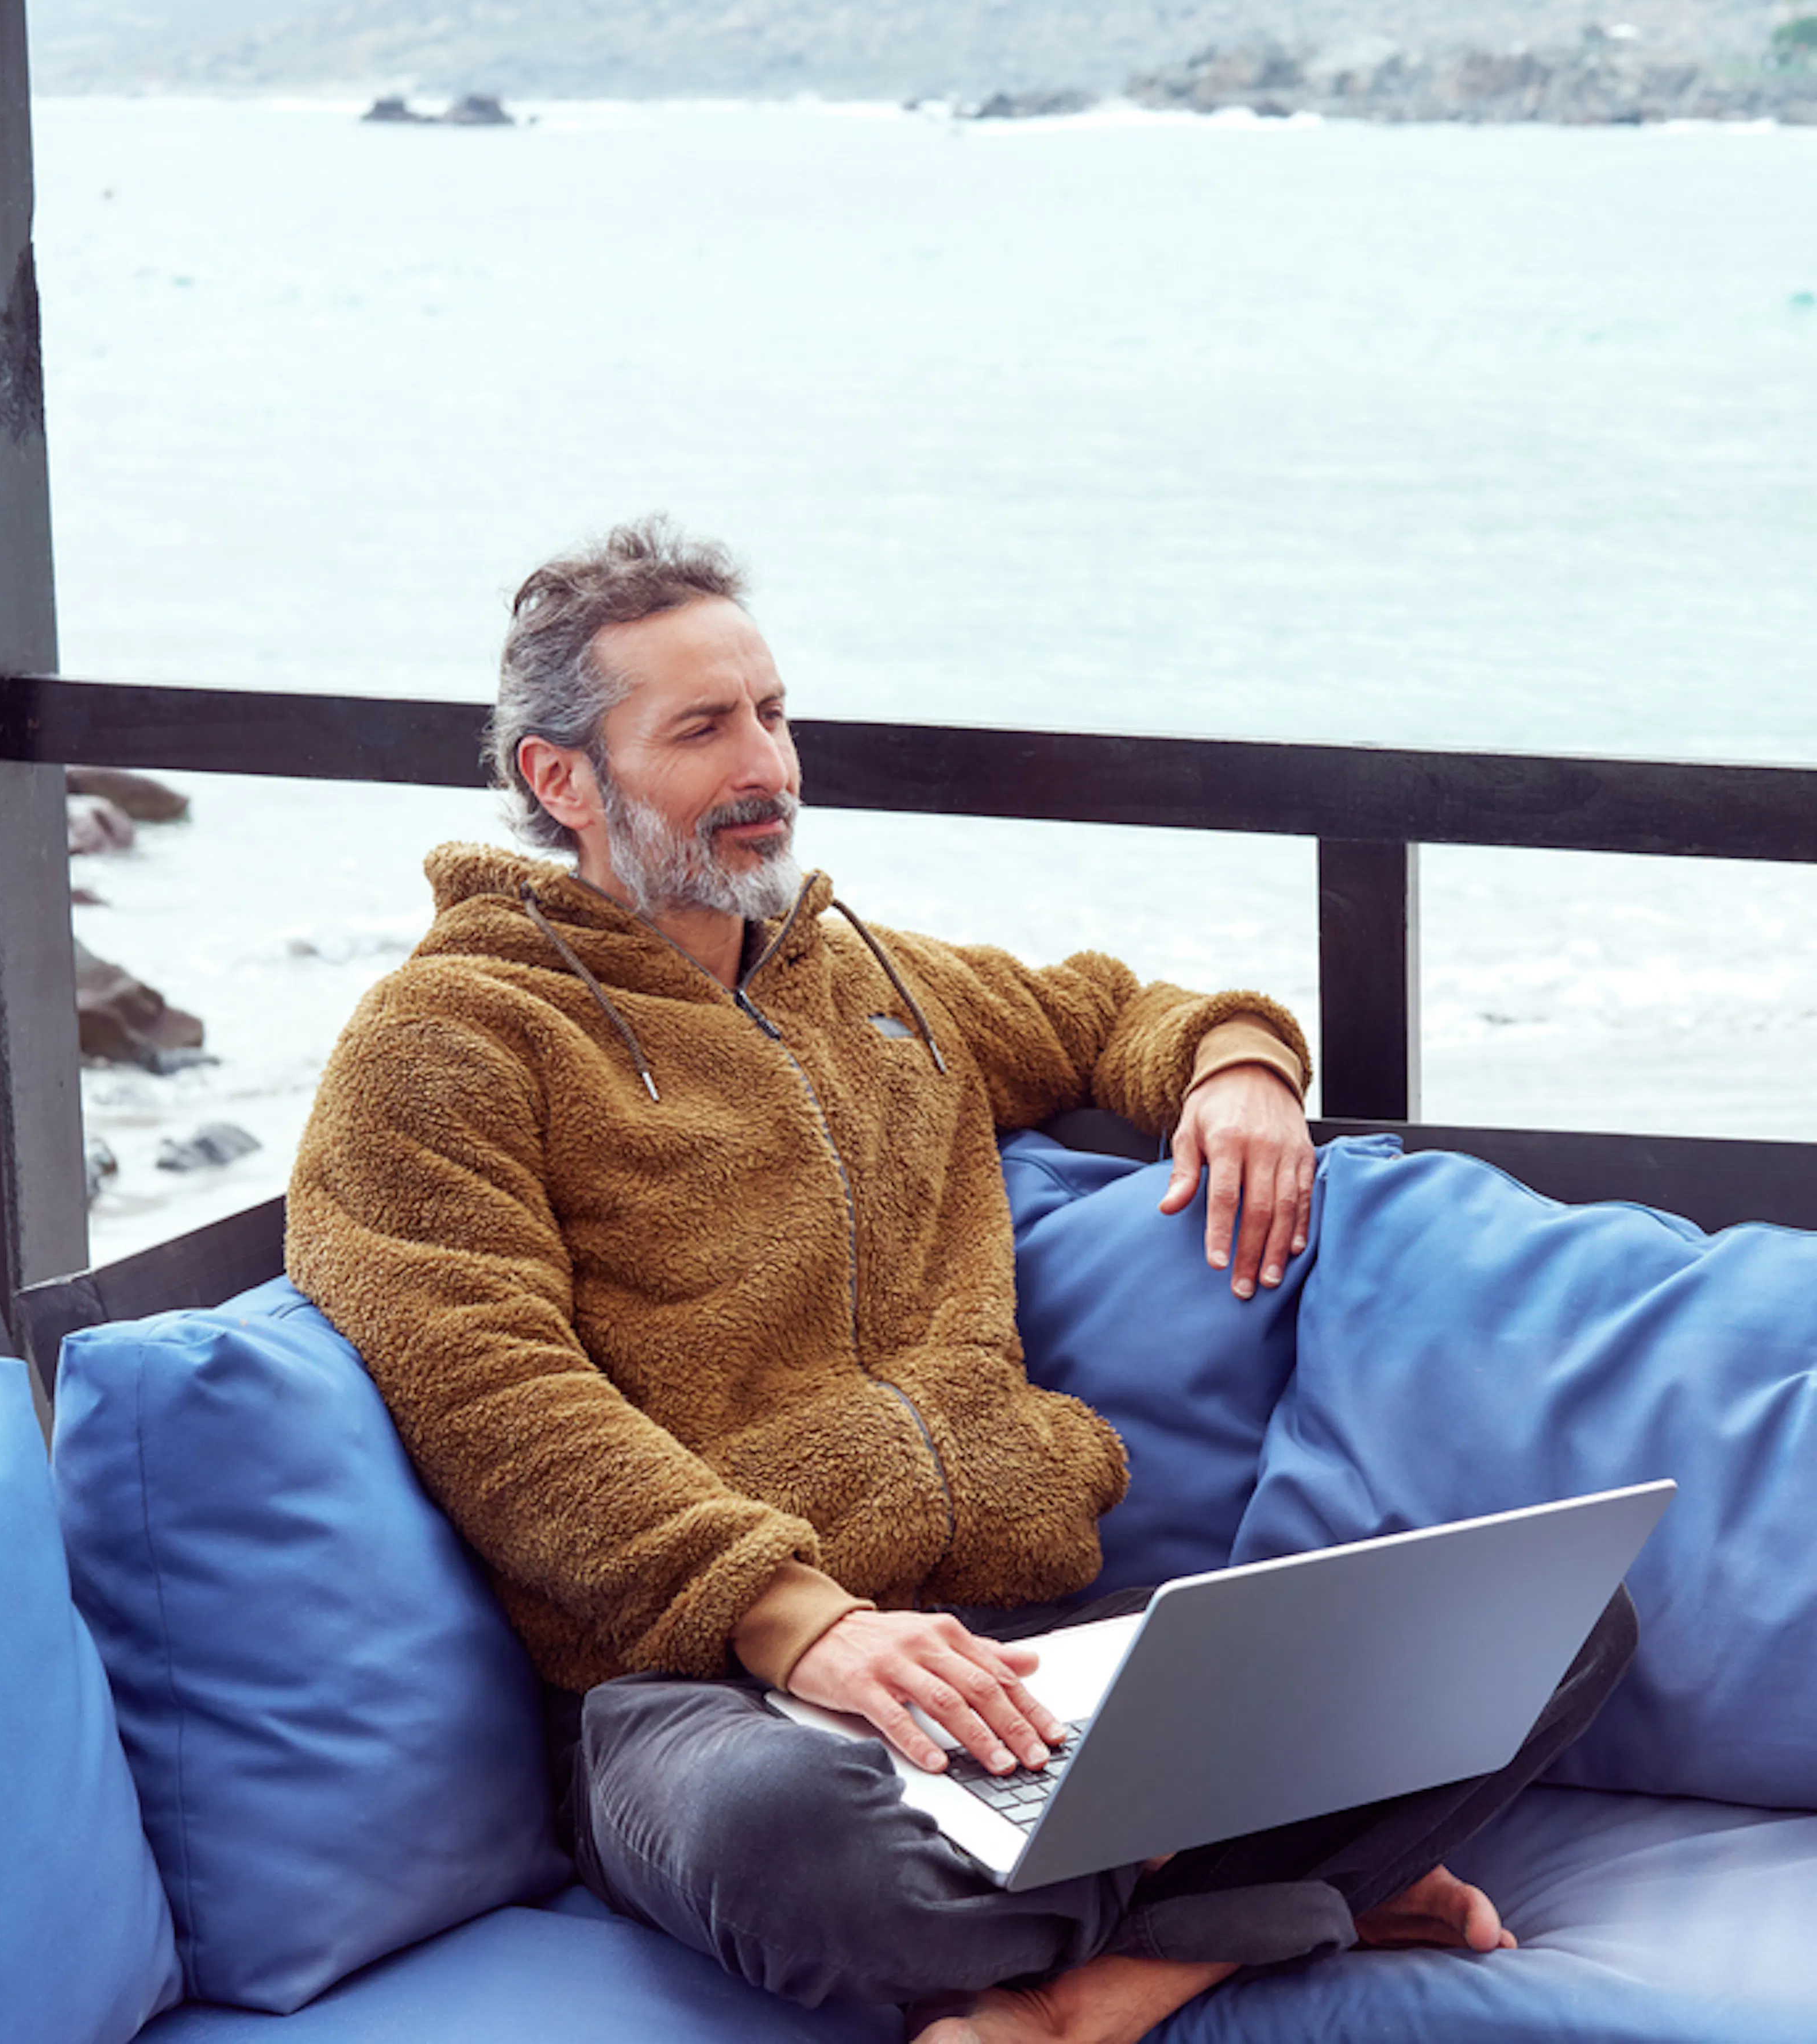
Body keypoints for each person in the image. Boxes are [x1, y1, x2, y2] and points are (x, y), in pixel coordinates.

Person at [285, 517, 1633, 2044]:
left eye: (775, 713)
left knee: (1548, 1617)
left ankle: (1120, 1981)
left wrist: (1239, 1063)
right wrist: (805, 1622)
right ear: (562, 780)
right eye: (704, 729)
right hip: (708, 1688)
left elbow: (1109, 1010)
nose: (768, 769)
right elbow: (481, 1384)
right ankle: (1278, 1899)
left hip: (1019, 1646)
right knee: (798, 1847)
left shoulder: (873, 983)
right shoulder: (447, 1041)